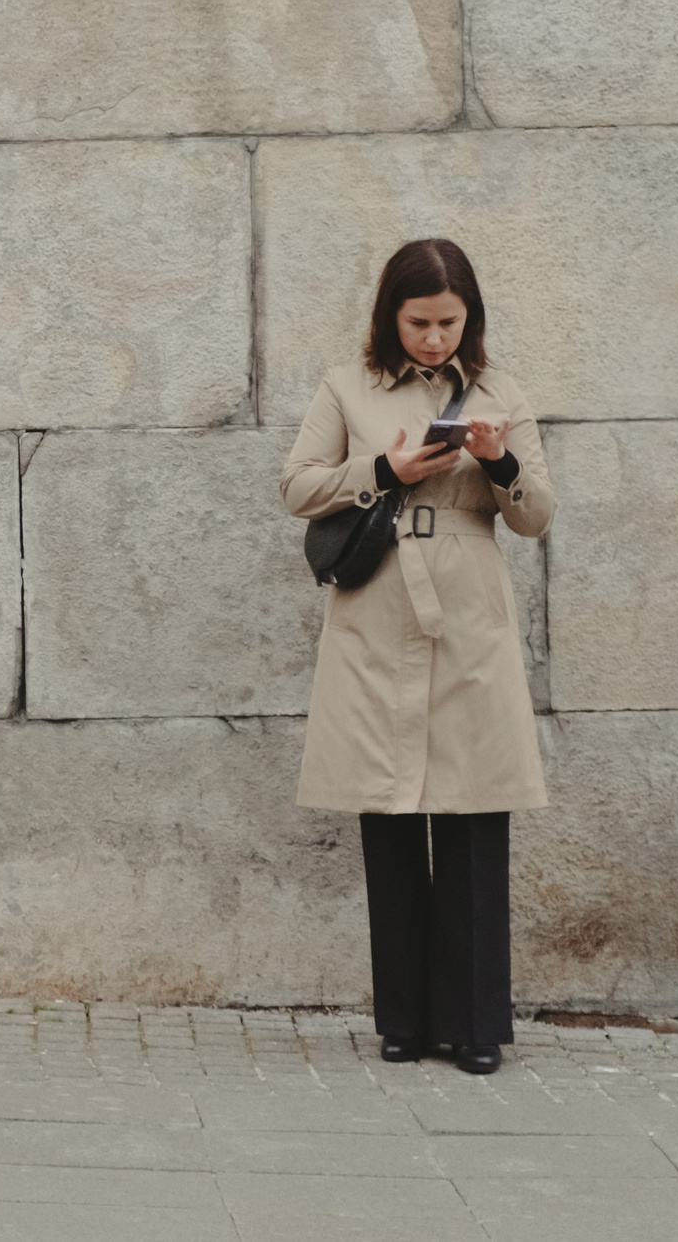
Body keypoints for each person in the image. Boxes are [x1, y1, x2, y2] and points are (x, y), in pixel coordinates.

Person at [278, 238, 554, 1077]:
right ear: (390, 316)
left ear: (469, 316)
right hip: (378, 603)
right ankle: (402, 1019)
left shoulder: (501, 391)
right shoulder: (347, 385)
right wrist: (383, 468)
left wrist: (496, 458)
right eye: (418, 321)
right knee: (388, 812)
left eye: (448, 322)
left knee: (474, 812)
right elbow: (296, 484)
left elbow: (537, 513)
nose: (434, 338)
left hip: (469, 607)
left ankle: (474, 1025)